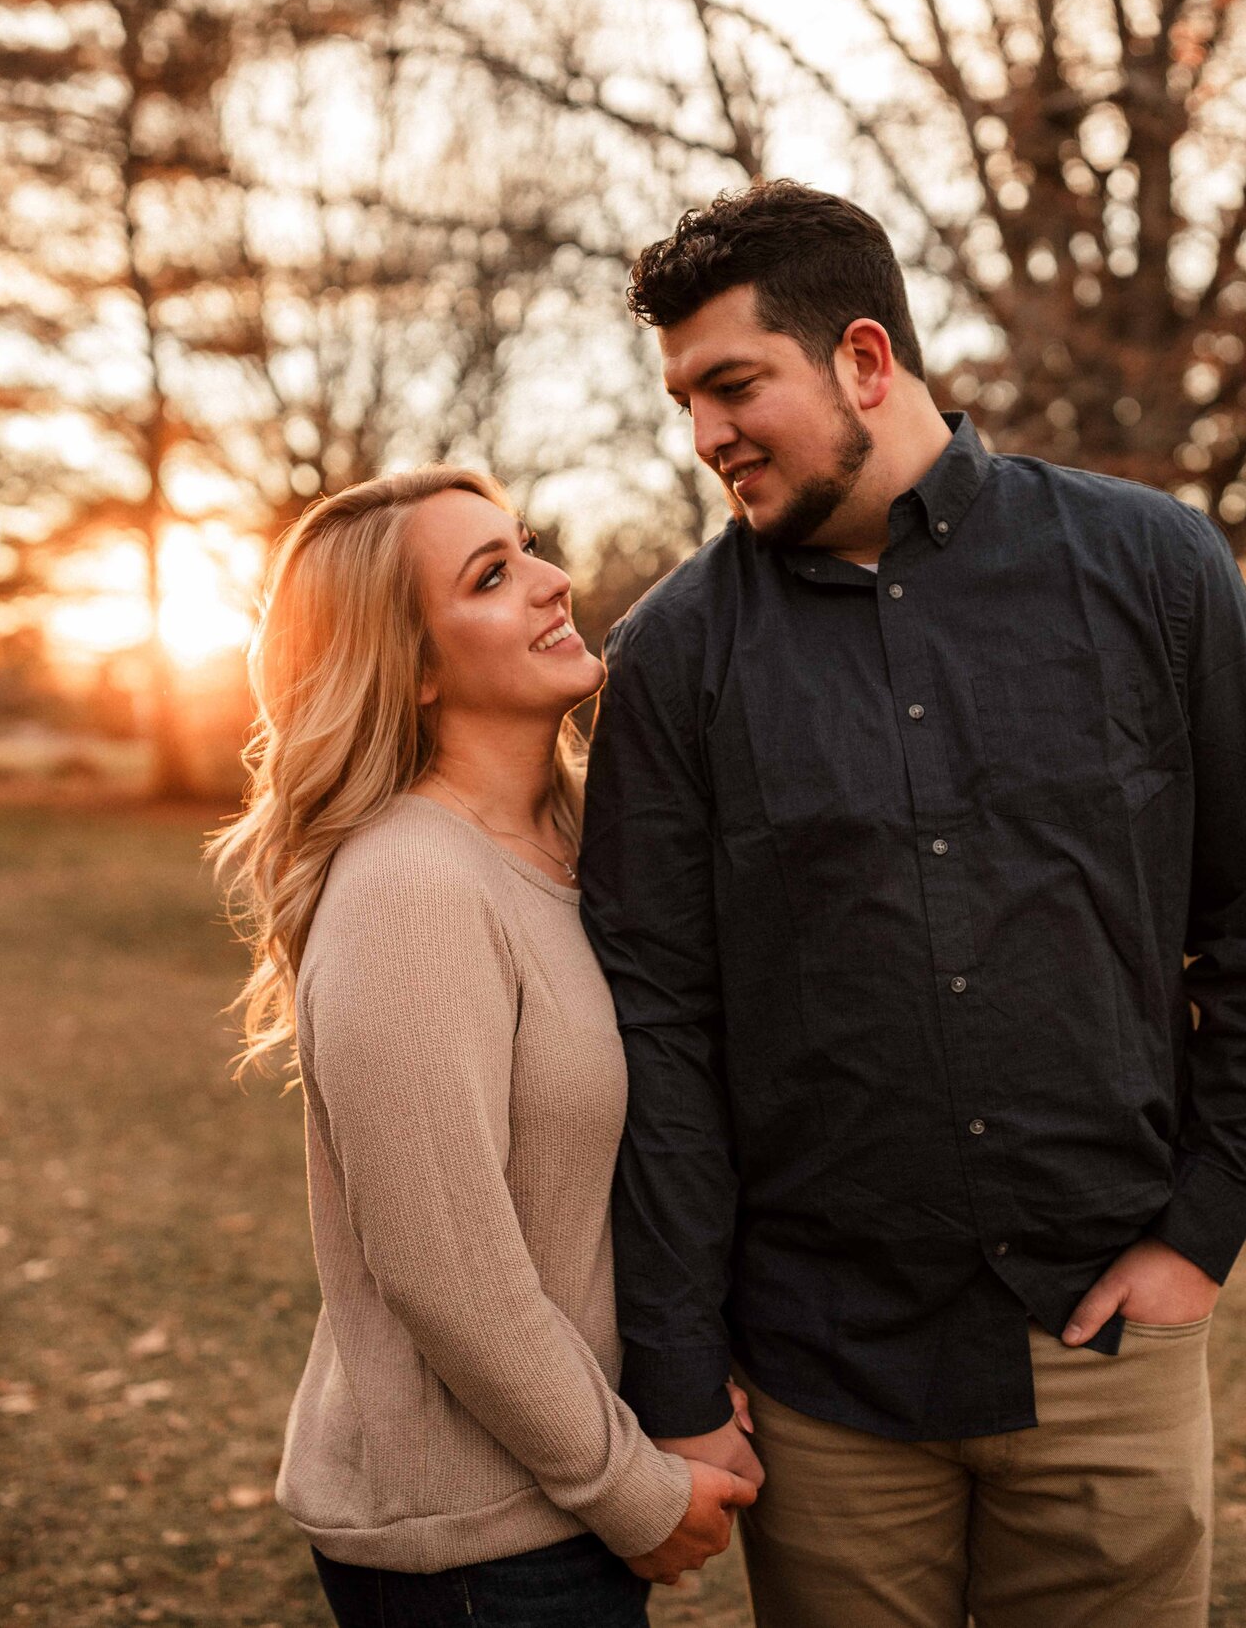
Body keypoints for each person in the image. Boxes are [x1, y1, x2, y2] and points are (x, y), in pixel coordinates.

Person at [580, 181, 1246, 1627]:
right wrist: (679, 1367)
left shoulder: (1152, 567)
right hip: (824, 1372)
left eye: (734, 385)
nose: (705, 436)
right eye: (685, 400)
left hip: (1105, 1340)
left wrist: (1202, 1225)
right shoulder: (672, 658)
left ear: (865, 358)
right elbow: (658, 1024)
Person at [209, 466, 757, 1628]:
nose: (552, 581)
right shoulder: (412, 883)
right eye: (492, 576)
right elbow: (442, 1262)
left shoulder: (577, 842)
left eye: (529, 547)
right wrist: (629, 1487)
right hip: (472, 1539)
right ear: (409, 665)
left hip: (555, 1495)